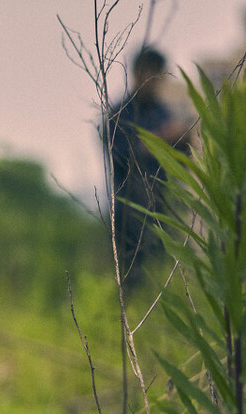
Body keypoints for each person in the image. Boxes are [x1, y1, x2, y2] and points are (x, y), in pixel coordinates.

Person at [103, 45, 192, 286]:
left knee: (161, 278)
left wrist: (184, 139)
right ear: (136, 72)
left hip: (163, 209)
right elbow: (122, 154)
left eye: (157, 74)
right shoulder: (119, 113)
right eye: (148, 72)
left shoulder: (163, 112)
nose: (152, 80)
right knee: (131, 279)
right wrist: (162, 138)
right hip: (128, 211)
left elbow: (182, 160)